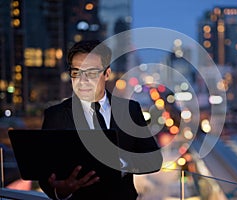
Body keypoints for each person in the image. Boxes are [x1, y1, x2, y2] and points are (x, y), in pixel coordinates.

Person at [38, 40, 163, 200]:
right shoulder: (55, 115)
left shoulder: (130, 110)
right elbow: (44, 174)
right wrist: (62, 191)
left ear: (107, 73)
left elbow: (153, 160)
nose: (82, 80)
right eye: (76, 72)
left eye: (91, 73)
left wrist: (121, 163)